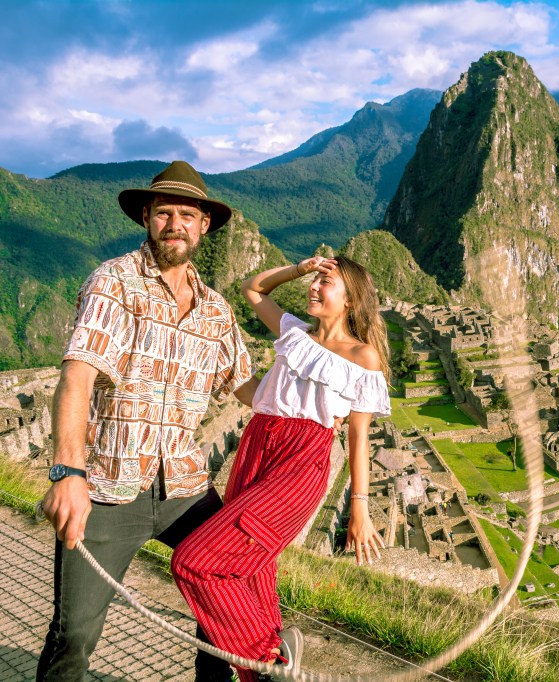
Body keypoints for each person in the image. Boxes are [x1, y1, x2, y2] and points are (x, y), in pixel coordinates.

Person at [37, 161, 255, 682]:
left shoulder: (216, 313)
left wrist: (324, 388)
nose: (175, 223)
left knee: (229, 599)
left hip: (184, 486)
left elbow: (248, 387)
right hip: (111, 488)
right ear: (146, 218)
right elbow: (79, 375)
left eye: (186, 214)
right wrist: (68, 473)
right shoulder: (114, 283)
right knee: (75, 633)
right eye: (164, 213)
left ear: (204, 224)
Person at [171, 254, 391, 682]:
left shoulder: (363, 357)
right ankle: (262, 673)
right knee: (250, 566)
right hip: (257, 446)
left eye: (326, 282)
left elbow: (358, 436)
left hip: (301, 459)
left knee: (195, 560)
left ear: (350, 300)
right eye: (316, 280)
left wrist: (359, 508)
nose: (314, 287)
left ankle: (273, 661)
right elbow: (253, 289)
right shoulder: (295, 332)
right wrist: (300, 268)